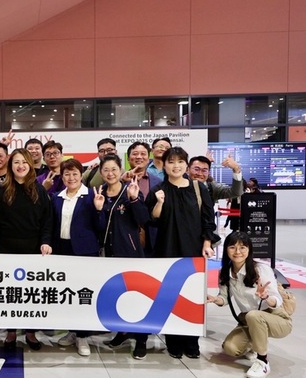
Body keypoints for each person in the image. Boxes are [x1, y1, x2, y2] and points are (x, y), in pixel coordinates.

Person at [145, 146, 219, 359]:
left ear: (186, 165)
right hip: (166, 250)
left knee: (192, 294)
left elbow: (208, 219)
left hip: (193, 250)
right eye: (171, 161)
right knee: (170, 296)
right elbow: (152, 220)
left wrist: (207, 243)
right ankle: (173, 341)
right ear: (164, 165)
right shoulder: (158, 189)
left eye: (180, 161)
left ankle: (191, 341)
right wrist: (159, 203)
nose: (175, 166)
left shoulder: (198, 188)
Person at [0, 148, 53, 350]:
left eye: (24, 162)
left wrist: (45, 241)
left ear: (30, 164)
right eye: (16, 162)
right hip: (6, 248)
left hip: (33, 249)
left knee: (31, 293)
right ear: (10, 165)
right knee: (10, 292)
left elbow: (47, 220)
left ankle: (30, 332)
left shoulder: (39, 190)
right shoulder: (1, 189)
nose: (20, 166)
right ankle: (11, 331)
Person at [206, 231, 292, 378]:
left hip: (276, 318)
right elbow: (224, 299)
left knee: (253, 316)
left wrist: (266, 297)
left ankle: (263, 361)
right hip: (248, 320)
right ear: (226, 250)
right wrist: (215, 299)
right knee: (230, 348)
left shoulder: (261, 269)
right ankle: (253, 344)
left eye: (242, 247)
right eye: (232, 247)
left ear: (249, 250)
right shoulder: (225, 272)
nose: (237, 252)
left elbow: (277, 300)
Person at [93, 155, 150, 359]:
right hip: (109, 255)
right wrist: (98, 210)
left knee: (136, 296)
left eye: (114, 169)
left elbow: (143, 219)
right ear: (101, 173)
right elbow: (99, 227)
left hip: (130, 253)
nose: (110, 173)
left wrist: (134, 199)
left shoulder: (130, 190)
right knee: (117, 295)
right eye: (106, 170)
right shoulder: (100, 193)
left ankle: (141, 340)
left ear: (120, 170)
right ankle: (122, 332)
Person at [51, 158, 101, 356]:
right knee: (67, 293)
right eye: (67, 174)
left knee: (83, 294)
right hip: (61, 249)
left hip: (84, 251)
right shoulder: (56, 197)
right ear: (62, 176)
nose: (71, 178)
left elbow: (100, 226)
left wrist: (99, 210)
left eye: (75, 174)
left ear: (81, 175)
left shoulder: (91, 195)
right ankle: (72, 331)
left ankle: (83, 336)